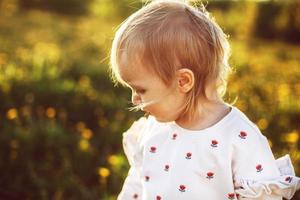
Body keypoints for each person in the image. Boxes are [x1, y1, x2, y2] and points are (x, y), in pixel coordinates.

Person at [109, 0, 300, 199]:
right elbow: (140, 182)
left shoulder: (238, 138)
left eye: (140, 89)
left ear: (183, 81)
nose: (134, 99)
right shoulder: (152, 131)